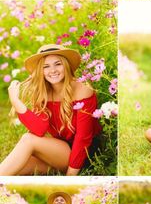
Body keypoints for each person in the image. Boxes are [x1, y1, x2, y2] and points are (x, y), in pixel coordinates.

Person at [0, 44, 102, 176]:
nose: (52, 70)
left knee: (28, 140)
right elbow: (39, 129)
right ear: (40, 71)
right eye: (46, 66)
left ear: (66, 65)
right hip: (59, 151)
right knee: (17, 166)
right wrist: (16, 102)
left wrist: (70, 176)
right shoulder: (44, 92)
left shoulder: (82, 89)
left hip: (85, 153)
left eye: (57, 64)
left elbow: (83, 138)